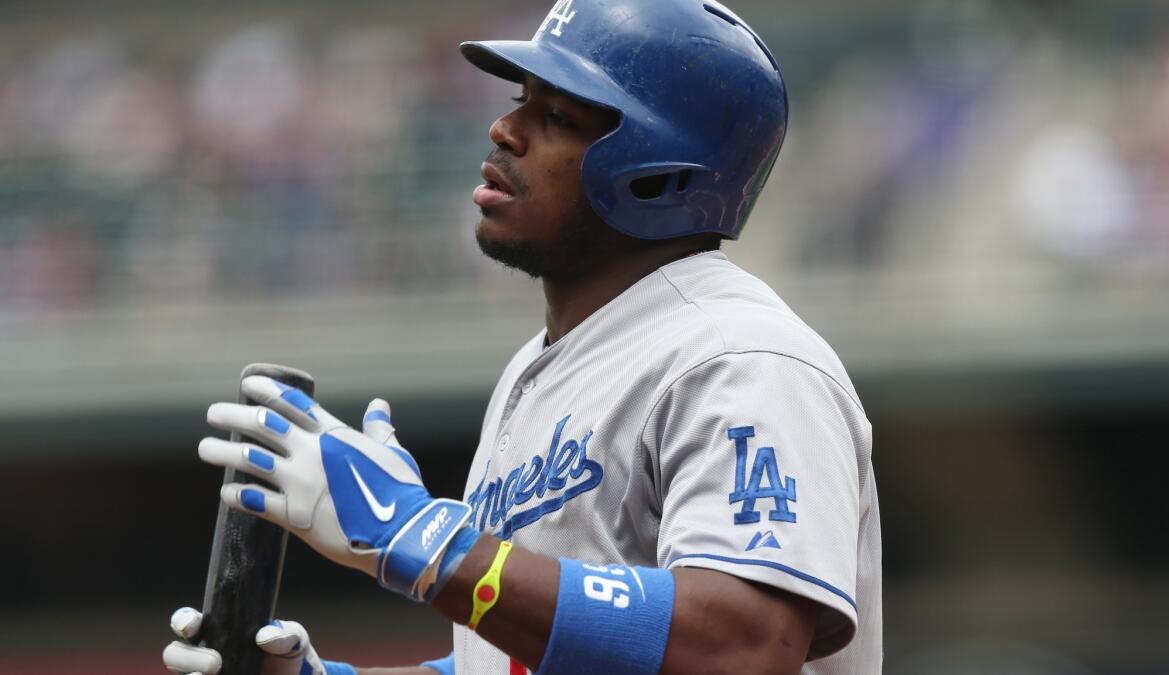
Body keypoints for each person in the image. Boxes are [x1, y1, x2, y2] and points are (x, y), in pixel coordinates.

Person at [163, 1, 882, 673]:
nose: (505, 131)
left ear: (660, 173)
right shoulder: (541, 369)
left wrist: (428, 542)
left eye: (559, 115)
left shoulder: (740, 357)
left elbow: (744, 641)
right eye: (520, 102)